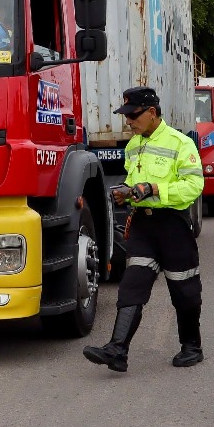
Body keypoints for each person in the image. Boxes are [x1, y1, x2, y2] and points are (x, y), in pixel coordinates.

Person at [83, 86, 205, 373]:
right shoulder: (133, 145)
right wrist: (126, 192)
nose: (129, 121)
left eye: (134, 115)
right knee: (132, 286)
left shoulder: (180, 143)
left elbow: (193, 186)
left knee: (184, 290)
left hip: (173, 225)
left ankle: (192, 347)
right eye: (126, 115)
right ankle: (117, 349)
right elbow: (135, 180)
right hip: (142, 226)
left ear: (152, 112)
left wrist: (153, 189)